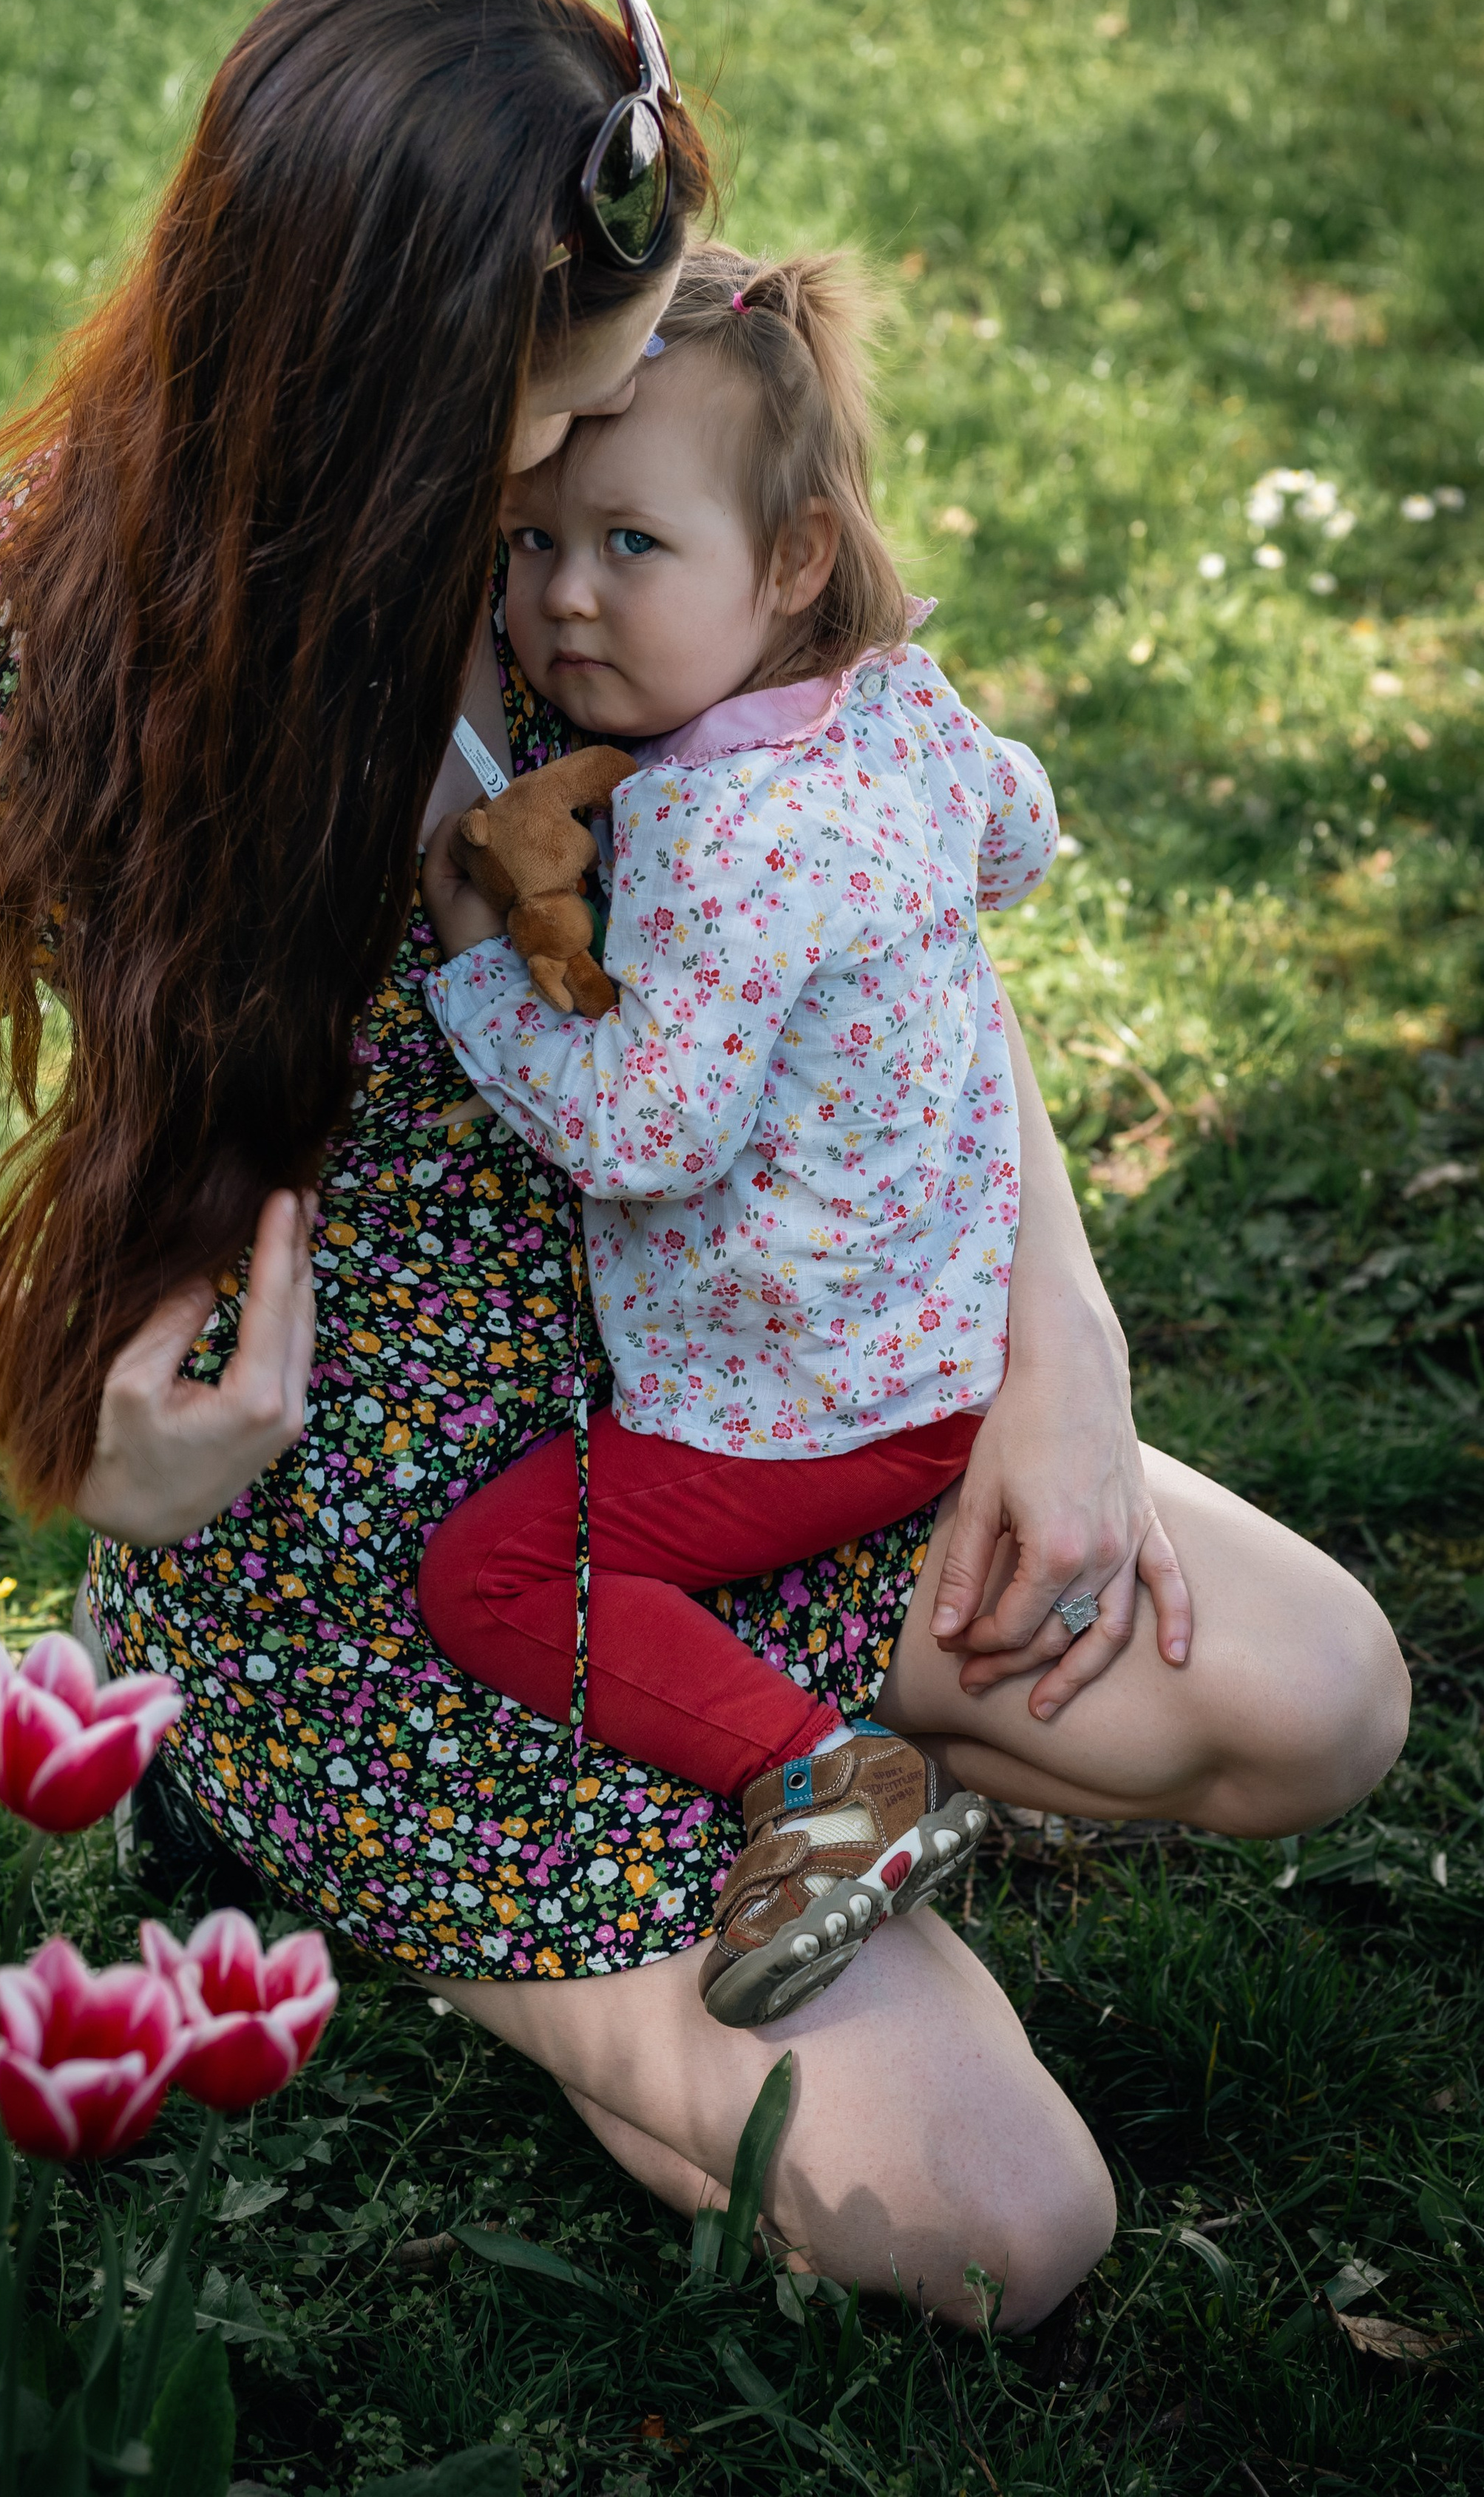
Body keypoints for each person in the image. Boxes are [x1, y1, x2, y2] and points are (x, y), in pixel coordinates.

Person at [0, 0, 1410, 2336]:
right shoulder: (47, 629)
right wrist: (81, 1449)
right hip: (385, 1535)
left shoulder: (660, 380)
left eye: (643, 356)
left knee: (1313, 1694)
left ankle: (792, 1807)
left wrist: (1052, 1359)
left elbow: (890, 903)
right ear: (397, 372)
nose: (619, 428)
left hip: (750, 1361)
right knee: (1005, 2228)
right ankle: (368, 1848)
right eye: (560, 407)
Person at [415, 243, 1067, 2030]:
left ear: (785, 562)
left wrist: (475, 962)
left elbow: (643, 1132)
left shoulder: (718, 837)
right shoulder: (895, 705)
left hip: (807, 1395)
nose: (562, 601)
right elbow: (1017, 831)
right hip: (939, 1320)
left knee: (495, 1574)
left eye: (633, 547)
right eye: (532, 544)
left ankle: (817, 1778)